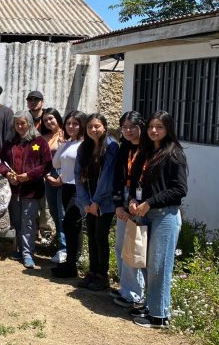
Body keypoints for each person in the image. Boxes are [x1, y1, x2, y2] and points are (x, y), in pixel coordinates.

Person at [128, 111, 188, 328]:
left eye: (160, 127)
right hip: (144, 214)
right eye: (151, 126)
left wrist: (150, 202)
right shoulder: (145, 152)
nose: (154, 130)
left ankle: (159, 316)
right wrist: (132, 200)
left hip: (164, 216)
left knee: (159, 265)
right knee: (145, 262)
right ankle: (150, 305)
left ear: (168, 129)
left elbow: (180, 189)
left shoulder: (174, 154)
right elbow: (134, 181)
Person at [0, 111, 52, 269]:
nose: (20, 126)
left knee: (28, 222)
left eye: (23, 123)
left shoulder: (39, 141)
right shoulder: (10, 142)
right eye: (17, 124)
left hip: (31, 189)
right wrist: (8, 174)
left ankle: (28, 253)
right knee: (16, 221)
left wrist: (28, 176)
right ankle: (20, 249)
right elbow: (1, 161)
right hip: (14, 189)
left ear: (29, 123)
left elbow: (46, 164)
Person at [75, 113, 119, 291]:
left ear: (105, 127)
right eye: (90, 127)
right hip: (89, 201)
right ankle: (92, 272)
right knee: (91, 236)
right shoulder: (84, 147)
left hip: (104, 201)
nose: (93, 129)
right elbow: (78, 175)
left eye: (97, 126)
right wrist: (85, 201)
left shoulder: (111, 146)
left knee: (101, 236)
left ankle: (102, 275)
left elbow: (108, 176)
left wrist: (96, 201)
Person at [111, 111, 148, 307]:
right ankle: (125, 288)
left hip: (139, 202)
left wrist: (132, 205)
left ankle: (135, 293)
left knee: (134, 246)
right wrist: (118, 204)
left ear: (141, 126)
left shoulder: (148, 149)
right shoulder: (123, 148)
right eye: (124, 127)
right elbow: (117, 178)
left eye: (132, 127)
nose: (128, 131)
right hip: (123, 198)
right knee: (120, 246)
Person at [50, 111, 87, 278]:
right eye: (68, 123)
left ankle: (72, 263)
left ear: (82, 125)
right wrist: (61, 145)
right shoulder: (69, 143)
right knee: (70, 226)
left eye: (75, 124)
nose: (71, 126)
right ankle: (70, 263)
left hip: (78, 189)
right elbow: (55, 163)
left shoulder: (84, 144)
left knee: (71, 224)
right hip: (66, 187)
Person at [41, 107, 66, 261]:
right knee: (54, 213)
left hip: (63, 177)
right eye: (45, 120)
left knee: (62, 214)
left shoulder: (65, 134)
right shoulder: (44, 138)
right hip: (48, 177)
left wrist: (61, 177)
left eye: (51, 118)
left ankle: (64, 249)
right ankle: (61, 246)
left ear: (57, 118)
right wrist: (46, 175)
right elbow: (38, 157)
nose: (48, 122)